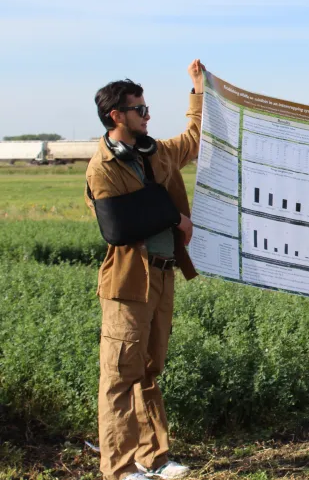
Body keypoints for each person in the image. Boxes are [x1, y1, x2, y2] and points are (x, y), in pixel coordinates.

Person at [84, 60, 206, 480]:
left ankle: (152, 457)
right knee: (120, 374)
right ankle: (117, 469)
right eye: (140, 109)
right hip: (128, 282)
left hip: (163, 273)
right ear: (117, 116)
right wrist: (173, 217)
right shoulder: (103, 167)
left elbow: (192, 138)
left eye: (147, 108)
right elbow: (119, 227)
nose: (148, 115)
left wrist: (198, 91)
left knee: (149, 369)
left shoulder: (154, 154)